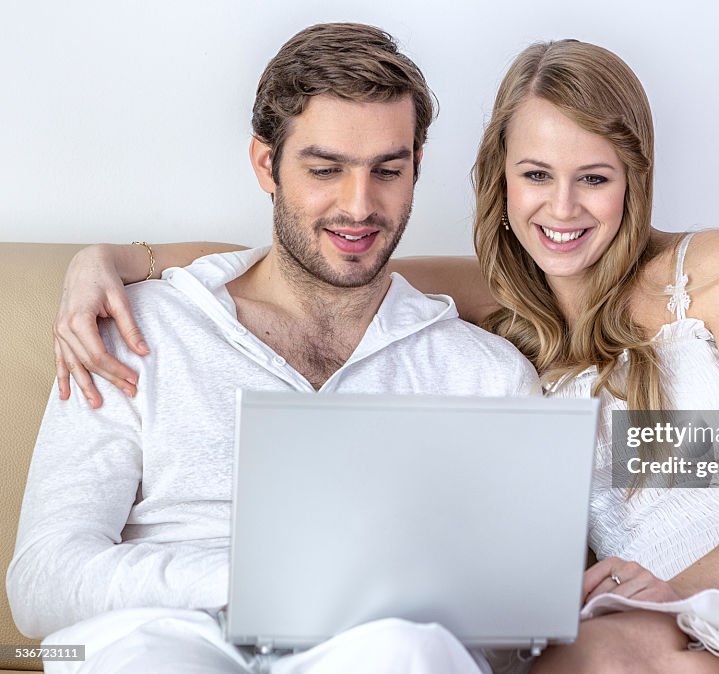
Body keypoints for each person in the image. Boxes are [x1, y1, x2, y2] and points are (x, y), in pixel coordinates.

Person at [47, 41, 719, 674]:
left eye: (594, 178)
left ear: (634, 179)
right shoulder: (486, 304)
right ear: (496, 182)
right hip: (646, 591)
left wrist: (687, 589)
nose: (563, 209)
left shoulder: (706, 269)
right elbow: (318, 254)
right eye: (535, 176)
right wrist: (116, 259)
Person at [7, 22, 539, 674]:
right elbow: (41, 580)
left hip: (373, 643)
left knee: (405, 652)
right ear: (267, 164)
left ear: (416, 169)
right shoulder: (139, 328)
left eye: (388, 171)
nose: (359, 205)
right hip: (169, 637)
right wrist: (258, 582)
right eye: (325, 170)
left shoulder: (482, 375)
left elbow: (515, 619)